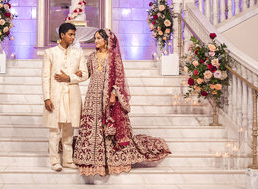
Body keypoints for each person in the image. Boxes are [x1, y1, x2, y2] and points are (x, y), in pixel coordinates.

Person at [73, 29, 171, 176]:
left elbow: (119, 78)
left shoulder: (113, 57)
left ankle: (108, 159)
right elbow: (86, 73)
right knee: (91, 124)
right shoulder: (92, 56)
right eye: (95, 38)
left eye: (99, 38)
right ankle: (90, 157)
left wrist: (113, 94)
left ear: (106, 40)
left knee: (108, 126)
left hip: (107, 96)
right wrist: (77, 73)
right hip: (92, 96)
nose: (96, 41)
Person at [42, 22, 89, 171]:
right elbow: (45, 77)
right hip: (56, 95)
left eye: (74, 34)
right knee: (54, 130)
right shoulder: (50, 53)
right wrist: (46, 98)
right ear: (62, 35)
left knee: (69, 130)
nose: (73, 37)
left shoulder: (78, 53)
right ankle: (54, 161)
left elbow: (85, 74)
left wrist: (69, 78)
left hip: (72, 96)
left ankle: (68, 160)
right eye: (70, 34)